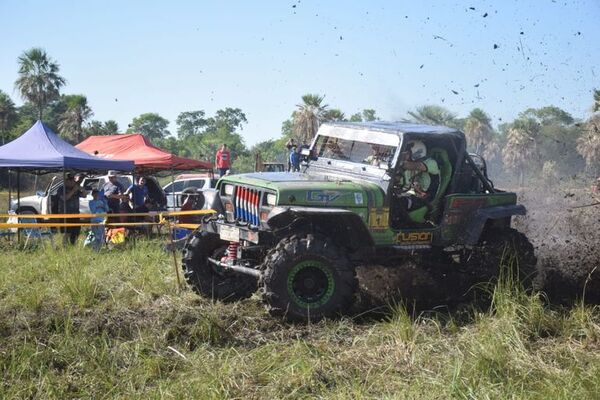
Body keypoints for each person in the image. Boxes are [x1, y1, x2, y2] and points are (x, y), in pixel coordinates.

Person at [393, 140, 440, 224]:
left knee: (398, 204)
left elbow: (419, 166)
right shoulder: (410, 166)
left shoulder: (431, 162)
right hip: (412, 194)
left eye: (406, 153)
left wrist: (397, 163)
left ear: (417, 152)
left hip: (426, 198)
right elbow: (400, 181)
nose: (404, 156)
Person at [56, 173, 86, 245]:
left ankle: (73, 246)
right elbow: (65, 198)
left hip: (75, 214)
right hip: (65, 214)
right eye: (71, 180)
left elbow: (84, 195)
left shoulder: (75, 188)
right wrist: (73, 191)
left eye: (73, 180)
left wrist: (82, 189)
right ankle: (65, 247)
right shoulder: (61, 189)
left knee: (76, 232)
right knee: (66, 232)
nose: (73, 182)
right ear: (66, 181)